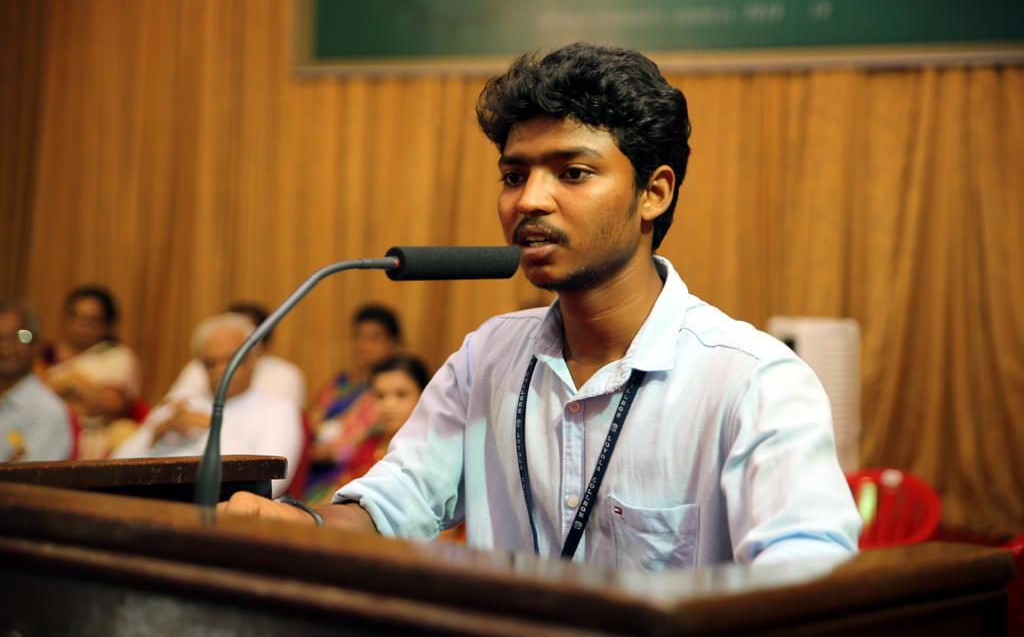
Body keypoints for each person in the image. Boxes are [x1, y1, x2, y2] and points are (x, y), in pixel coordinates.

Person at [221, 43, 861, 569]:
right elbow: (394, 502)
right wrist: (300, 524)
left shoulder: (752, 381)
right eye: (513, 175)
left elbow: (806, 584)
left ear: (654, 193)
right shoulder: (487, 358)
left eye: (572, 173)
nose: (529, 200)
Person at [114, 313, 303, 497]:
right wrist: (155, 433)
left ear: (253, 360)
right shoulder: (183, 402)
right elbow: (115, 465)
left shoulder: (278, 410)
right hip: (154, 499)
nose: (221, 370)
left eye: (231, 359)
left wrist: (211, 427)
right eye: (211, 363)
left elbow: (268, 485)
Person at [302, 304, 402, 500]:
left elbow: (377, 438)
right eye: (360, 337)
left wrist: (334, 453)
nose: (365, 345)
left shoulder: (393, 391)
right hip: (315, 466)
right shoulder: (341, 384)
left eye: (374, 338)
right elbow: (313, 419)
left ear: (393, 342)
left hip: (359, 470)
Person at [303, 354, 430, 506]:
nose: (388, 404)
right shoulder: (367, 446)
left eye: (401, 394)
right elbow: (337, 495)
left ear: (424, 396)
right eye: (380, 396)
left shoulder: (429, 451)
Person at [37, 285, 142, 458]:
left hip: (93, 440)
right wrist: (72, 390)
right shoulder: (45, 355)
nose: (81, 325)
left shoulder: (115, 356)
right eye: (75, 317)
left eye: (91, 320)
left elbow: (110, 404)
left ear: (106, 324)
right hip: (41, 432)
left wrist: (70, 383)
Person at [166, 301, 306, 407]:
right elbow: (171, 408)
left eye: (231, 360)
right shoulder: (200, 366)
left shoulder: (285, 374)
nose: (220, 370)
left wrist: (203, 422)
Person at [0, 300, 73, 462]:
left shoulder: (48, 412)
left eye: (20, 336)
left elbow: (25, 476)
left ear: (36, 345)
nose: (5, 345)